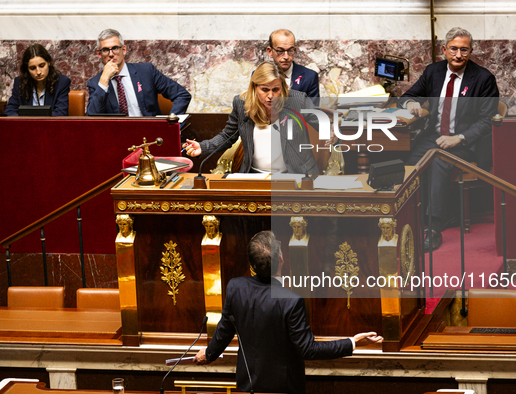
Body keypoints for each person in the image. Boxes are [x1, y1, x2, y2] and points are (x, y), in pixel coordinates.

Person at [193, 230, 382, 394]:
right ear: (281, 259)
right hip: (284, 389)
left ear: (252, 264)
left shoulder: (235, 288)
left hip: (247, 385)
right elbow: (308, 349)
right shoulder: (292, 302)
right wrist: (353, 342)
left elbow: (224, 330)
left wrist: (209, 354)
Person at [398, 27, 499, 252]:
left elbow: (486, 121)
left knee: (439, 161)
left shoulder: (484, 79)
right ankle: (408, 219)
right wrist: (411, 103)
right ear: (444, 50)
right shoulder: (433, 72)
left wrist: (458, 138)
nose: (458, 55)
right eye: (453, 49)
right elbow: (407, 97)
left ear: (471, 51)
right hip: (433, 136)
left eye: (464, 50)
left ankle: (433, 227)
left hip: (466, 142)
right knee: (409, 163)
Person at [183, 61, 319, 175]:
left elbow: (322, 122)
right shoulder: (242, 103)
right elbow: (227, 136)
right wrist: (203, 146)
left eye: (276, 90)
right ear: (255, 87)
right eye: (265, 90)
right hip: (254, 175)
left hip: (294, 175)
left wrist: (331, 133)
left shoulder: (297, 101)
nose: (271, 95)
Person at [86, 29, 191, 116]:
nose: (111, 54)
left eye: (115, 48)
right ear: (99, 54)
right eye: (105, 50)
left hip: (150, 136)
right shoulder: (95, 83)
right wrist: (104, 80)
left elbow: (182, 95)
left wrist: (171, 125)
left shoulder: (146, 71)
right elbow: (91, 119)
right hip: (117, 138)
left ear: (124, 50)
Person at [5, 43, 70, 116]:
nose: (38, 72)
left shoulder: (62, 82)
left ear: (48, 62)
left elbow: (60, 113)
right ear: (27, 69)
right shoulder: (19, 82)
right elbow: (10, 111)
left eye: (42, 66)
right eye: (32, 68)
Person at [267, 29, 320, 100]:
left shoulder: (309, 77)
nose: (286, 57)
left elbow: (312, 110)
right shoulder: (258, 75)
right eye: (280, 51)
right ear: (270, 51)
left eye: (290, 51)